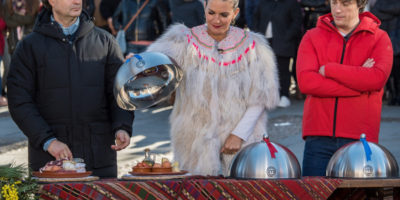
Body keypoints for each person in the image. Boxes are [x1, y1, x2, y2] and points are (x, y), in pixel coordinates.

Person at [146, 0, 279, 175]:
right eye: (211, 13)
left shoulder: (254, 45)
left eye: (224, 15)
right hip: (193, 141)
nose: (216, 20)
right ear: (204, 9)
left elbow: (261, 98)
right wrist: (138, 63)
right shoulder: (181, 40)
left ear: (235, 13)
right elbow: (153, 63)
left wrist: (239, 135)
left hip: (242, 140)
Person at [7, 0, 134, 178]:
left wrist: (122, 126)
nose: (77, 1)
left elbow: (120, 92)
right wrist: (48, 141)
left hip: (99, 160)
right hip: (51, 163)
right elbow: (19, 100)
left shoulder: (105, 41)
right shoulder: (29, 47)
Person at [296, 0, 393, 176]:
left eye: (345, 3)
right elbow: (306, 82)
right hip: (318, 137)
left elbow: (376, 80)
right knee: (314, 194)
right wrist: (359, 84)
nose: (337, 9)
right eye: (334, 3)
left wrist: (330, 69)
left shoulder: (379, 38)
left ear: (360, 5)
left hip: (361, 137)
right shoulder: (311, 36)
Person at [253, 0, 303, 108]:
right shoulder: (263, 3)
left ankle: (284, 95)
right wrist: (256, 34)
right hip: (264, 41)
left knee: (283, 69)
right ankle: (267, 96)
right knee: (264, 70)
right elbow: (255, 18)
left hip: (283, 42)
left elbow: (297, 21)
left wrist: (287, 36)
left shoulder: (291, 3)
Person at [372, 0, 400, 106]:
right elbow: (375, 13)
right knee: (390, 71)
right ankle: (393, 95)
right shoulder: (381, 2)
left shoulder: (381, 4)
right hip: (388, 38)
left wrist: (385, 11)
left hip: (395, 37)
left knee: (397, 71)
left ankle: (397, 95)